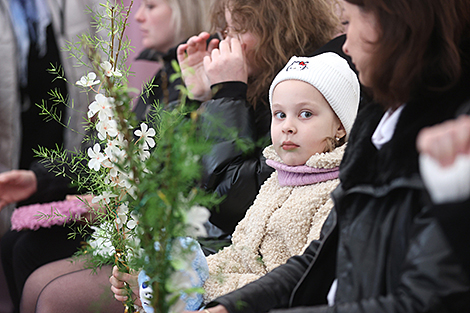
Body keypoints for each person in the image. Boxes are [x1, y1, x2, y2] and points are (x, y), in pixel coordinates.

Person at [187, 0, 470, 312]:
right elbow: (321, 259)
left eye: (348, 23)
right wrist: (225, 304)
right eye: (279, 115)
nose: (344, 46)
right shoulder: (375, 124)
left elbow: (424, 298)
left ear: (389, 23)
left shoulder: (439, 132)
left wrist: (227, 92)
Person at [110, 52, 360, 308]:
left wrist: (194, 289)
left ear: (340, 125)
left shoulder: (335, 193)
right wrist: (177, 278)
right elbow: (239, 253)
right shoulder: (277, 180)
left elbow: (294, 282)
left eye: (305, 114)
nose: (288, 126)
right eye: (280, 114)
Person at [177, 0, 341, 242]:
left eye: (240, 30)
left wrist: (227, 93)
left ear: (277, 30)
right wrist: (200, 101)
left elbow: (230, 203)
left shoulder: (304, 100)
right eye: (227, 31)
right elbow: (172, 183)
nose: (228, 43)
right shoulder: (254, 84)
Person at [0, 1, 103, 311]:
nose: (141, 15)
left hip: (64, 141)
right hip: (14, 139)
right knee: (14, 241)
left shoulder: (69, 5)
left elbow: (97, 51)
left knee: (25, 244)